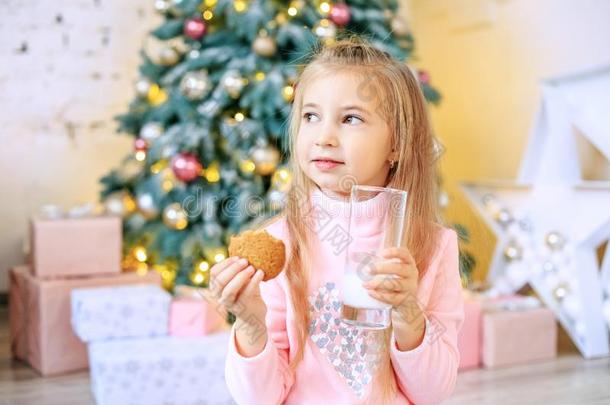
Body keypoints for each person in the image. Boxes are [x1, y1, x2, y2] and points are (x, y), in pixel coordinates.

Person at [210, 36, 465, 405]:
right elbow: (259, 399)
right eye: (311, 116)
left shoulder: (434, 246)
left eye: (351, 118)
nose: (324, 137)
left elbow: (433, 392)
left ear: (397, 144)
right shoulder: (281, 243)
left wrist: (408, 312)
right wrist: (250, 325)